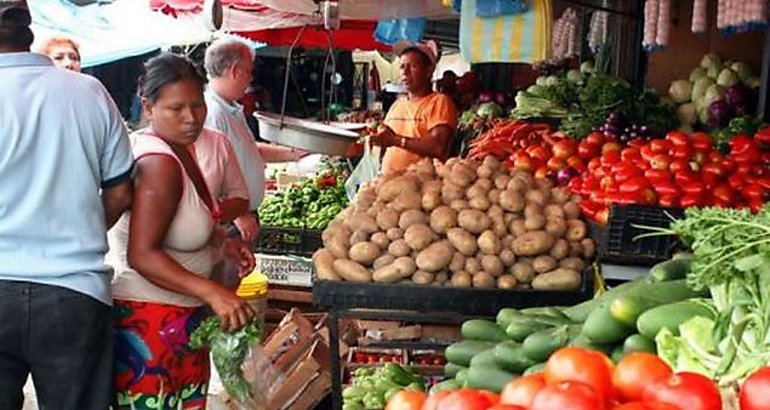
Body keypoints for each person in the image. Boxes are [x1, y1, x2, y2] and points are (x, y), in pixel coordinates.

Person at [0, 1, 133, 409]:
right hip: (74, 291)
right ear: (29, 31)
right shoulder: (88, 91)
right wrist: (83, 225)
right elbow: (120, 192)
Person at [107, 53, 256, 410]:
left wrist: (219, 241)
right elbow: (142, 254)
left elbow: (183, 221)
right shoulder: (158, 163)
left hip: (180, 319)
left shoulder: (181, 151)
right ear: (148, 107)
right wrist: (214, 293)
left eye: (197, 106)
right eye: (176, 109)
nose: (191, 118)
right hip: (151, 323)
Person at [203, 38, 305, 235]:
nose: (250, 79)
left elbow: (251, 151)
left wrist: (295, 153)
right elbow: (210, 172)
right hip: (232, 221)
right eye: (249, 71)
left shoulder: (230, 109)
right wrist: (238, 215)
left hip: (242, 214)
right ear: (234, 71)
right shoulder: (213, 114)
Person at [370, 40, 458, 175]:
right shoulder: (397, 105)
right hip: (387, 184)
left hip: (419, 188)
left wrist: (396, 140)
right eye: (402, 66)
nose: (405, 72)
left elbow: (438, 147)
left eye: (412, 66)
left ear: (428, 71)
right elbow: (386, 140)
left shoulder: (439, 102)